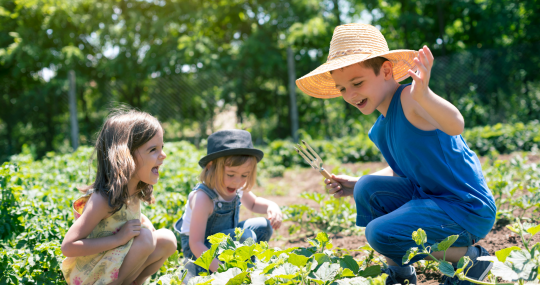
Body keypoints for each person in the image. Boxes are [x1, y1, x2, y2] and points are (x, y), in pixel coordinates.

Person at [296, 23, 496, 285]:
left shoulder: (411, 99)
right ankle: (401, 273)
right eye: (343, 89)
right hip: (433, 201)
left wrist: (424, 94)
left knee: (379, 233)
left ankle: (471, 259)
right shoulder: (380, 128)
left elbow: (456, 124)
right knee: (367, 187)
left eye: (357, 83)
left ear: (387, 71)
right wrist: (354, 185)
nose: (350, 95)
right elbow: (402, 170)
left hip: (464, 208)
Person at [61, 109, 177, 285]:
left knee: (166, 239)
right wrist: (118, 239)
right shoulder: (102, 199)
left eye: (162, 148)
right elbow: (68, 246)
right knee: (146, 239)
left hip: (115, 264)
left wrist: (146, 225)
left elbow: (127, 217)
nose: (163, 155)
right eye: (153, 149)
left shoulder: (134, 191)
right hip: (92, 274)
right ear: (126, 155)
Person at [174, 129, 282, 282]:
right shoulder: (203, 198)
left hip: (224, 244)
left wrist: (271, 206)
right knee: (247, 236)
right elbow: (195, 243)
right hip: (200, 255)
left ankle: (246, 267)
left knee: (264, 225)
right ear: (211, 167)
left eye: (244, 175)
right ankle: (239, 272)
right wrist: (222, 271)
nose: (237, 181)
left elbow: (253, 203)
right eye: (231, 174)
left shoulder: (236, 187)